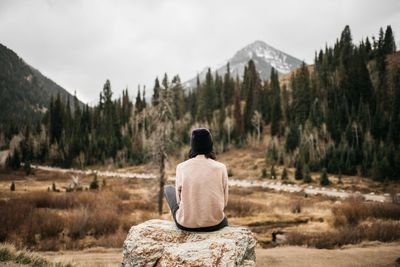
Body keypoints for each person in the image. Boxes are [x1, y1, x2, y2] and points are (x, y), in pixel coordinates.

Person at [164, 128, 229, 232]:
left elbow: (178, 200)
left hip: (186, 224)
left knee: (168, 188)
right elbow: (224, 202)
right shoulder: (221, 168)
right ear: (210, 145)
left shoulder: (181, 167)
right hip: (215, 224)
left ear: (192, 146)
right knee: (225, 220)